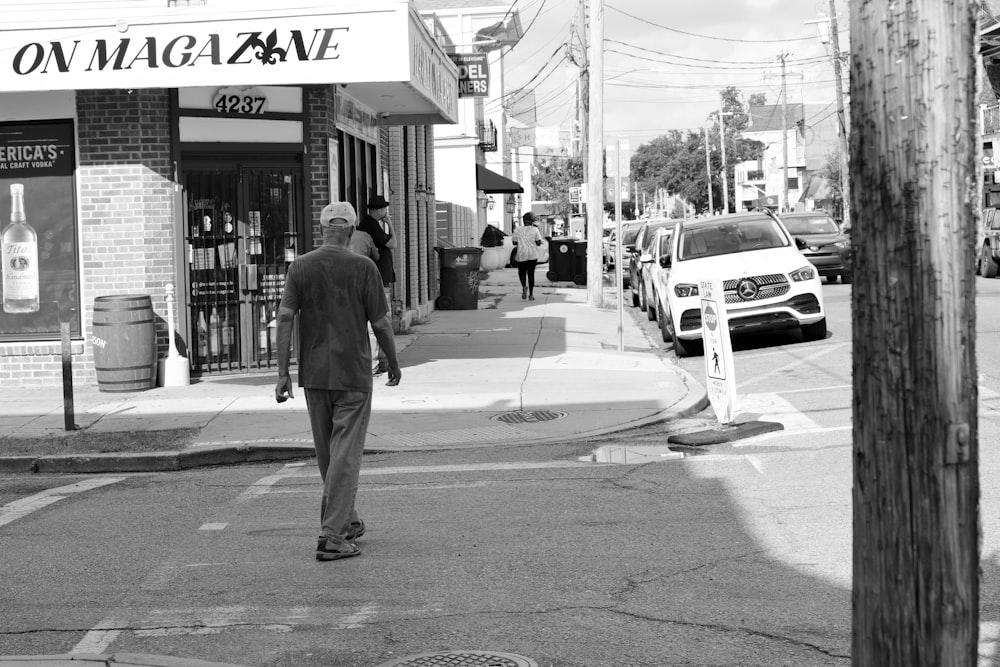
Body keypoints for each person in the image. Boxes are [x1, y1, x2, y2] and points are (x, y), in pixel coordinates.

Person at [274, 201, 402, 562]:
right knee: (345, 453)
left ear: (322, 229)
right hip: (353, 373)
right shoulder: (363, 267)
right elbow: (380, 323)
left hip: (314, 374)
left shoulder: (300, 266)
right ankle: (331, 535)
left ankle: (347, 519)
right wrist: (391, 360)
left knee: (329, 453)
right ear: (351, 231)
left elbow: (285, 317)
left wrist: (283, 372)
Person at [357, 195, 396, 374]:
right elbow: (393, 243)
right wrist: (390, 224)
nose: (386, 212)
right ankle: (377, 361)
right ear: (379, 210)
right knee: (379, 320)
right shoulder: (370, 226)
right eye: (384, 209)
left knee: (380, 320)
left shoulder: (371, 225)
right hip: (377, 278)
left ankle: (380, 359)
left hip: (378, 277)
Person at [512, 211, 544, 300]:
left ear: (523, 221)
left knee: (521, 272)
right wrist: (536, 242)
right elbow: (538, 243)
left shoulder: (517, 229)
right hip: (532, 254)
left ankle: (524, 286)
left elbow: (514, 242)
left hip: (521, 254)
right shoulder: (535, 229)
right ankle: (531, 294)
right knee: (531, 274)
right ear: (532, 221)